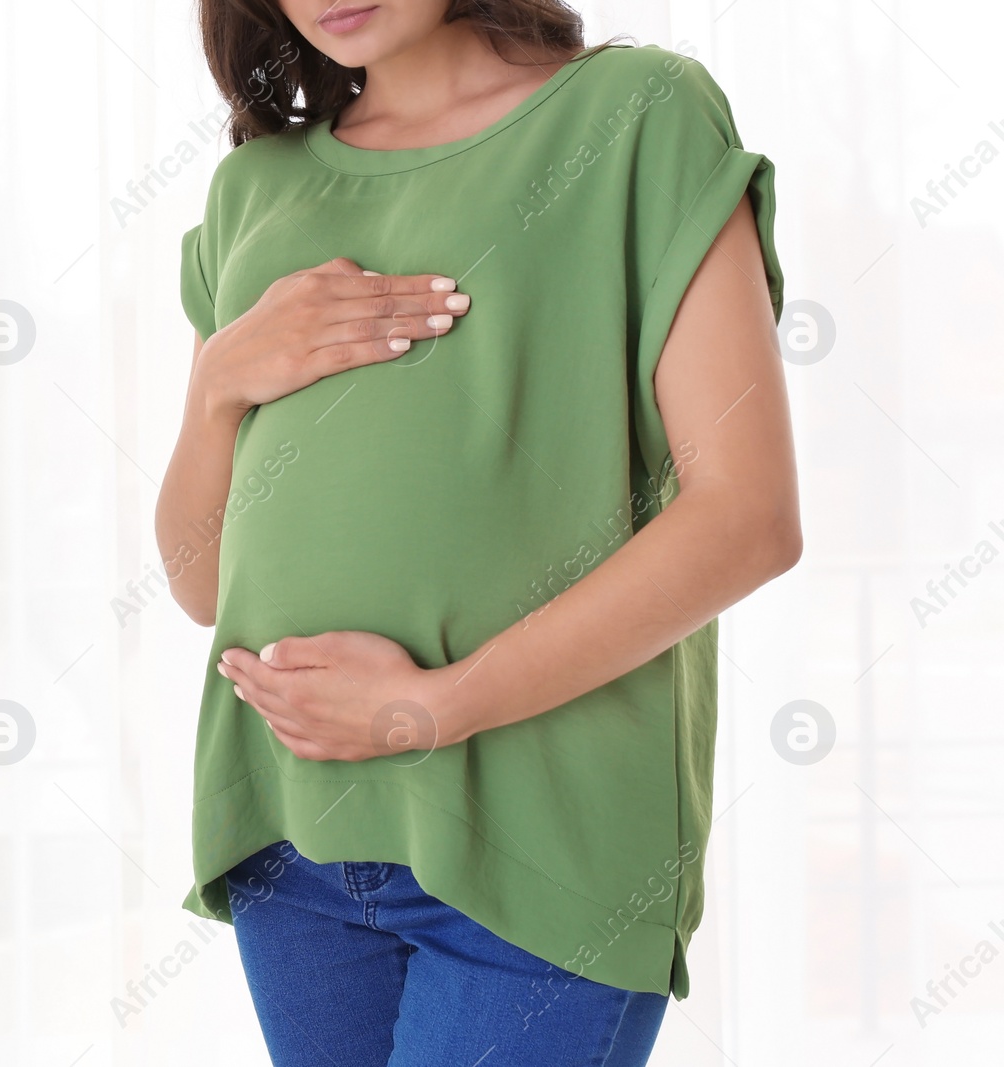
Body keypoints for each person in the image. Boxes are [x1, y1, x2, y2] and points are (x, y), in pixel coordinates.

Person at [155, 1, 802, 1064]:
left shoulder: (638, 115)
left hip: (541, 834)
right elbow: (200, 581)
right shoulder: (253, 189)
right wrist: (220, 384)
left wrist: (432, 706)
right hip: (294, 839)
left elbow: (748, 517)